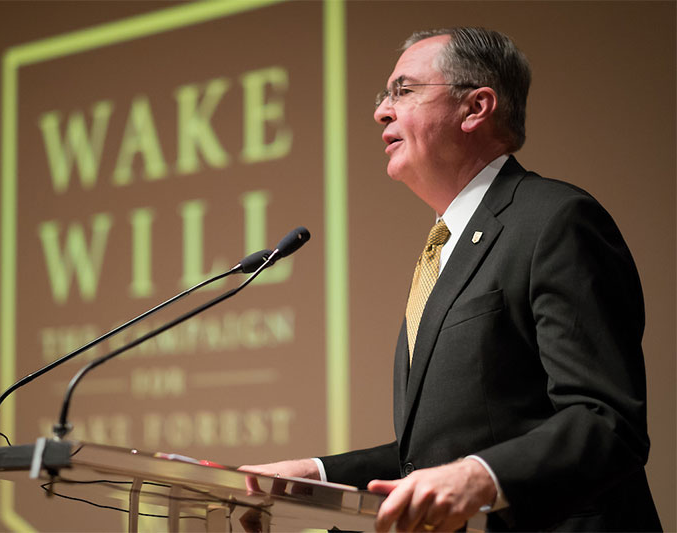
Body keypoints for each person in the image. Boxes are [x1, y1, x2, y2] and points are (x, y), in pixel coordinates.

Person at [240, 27, 662, 532]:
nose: (381, 111)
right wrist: (321, 473)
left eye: (404, 90)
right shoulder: (446, 248)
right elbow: (441, 455)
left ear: (476, 107)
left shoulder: (555, 220)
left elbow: (604, 420)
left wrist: (480, 477)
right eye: (385, 95)